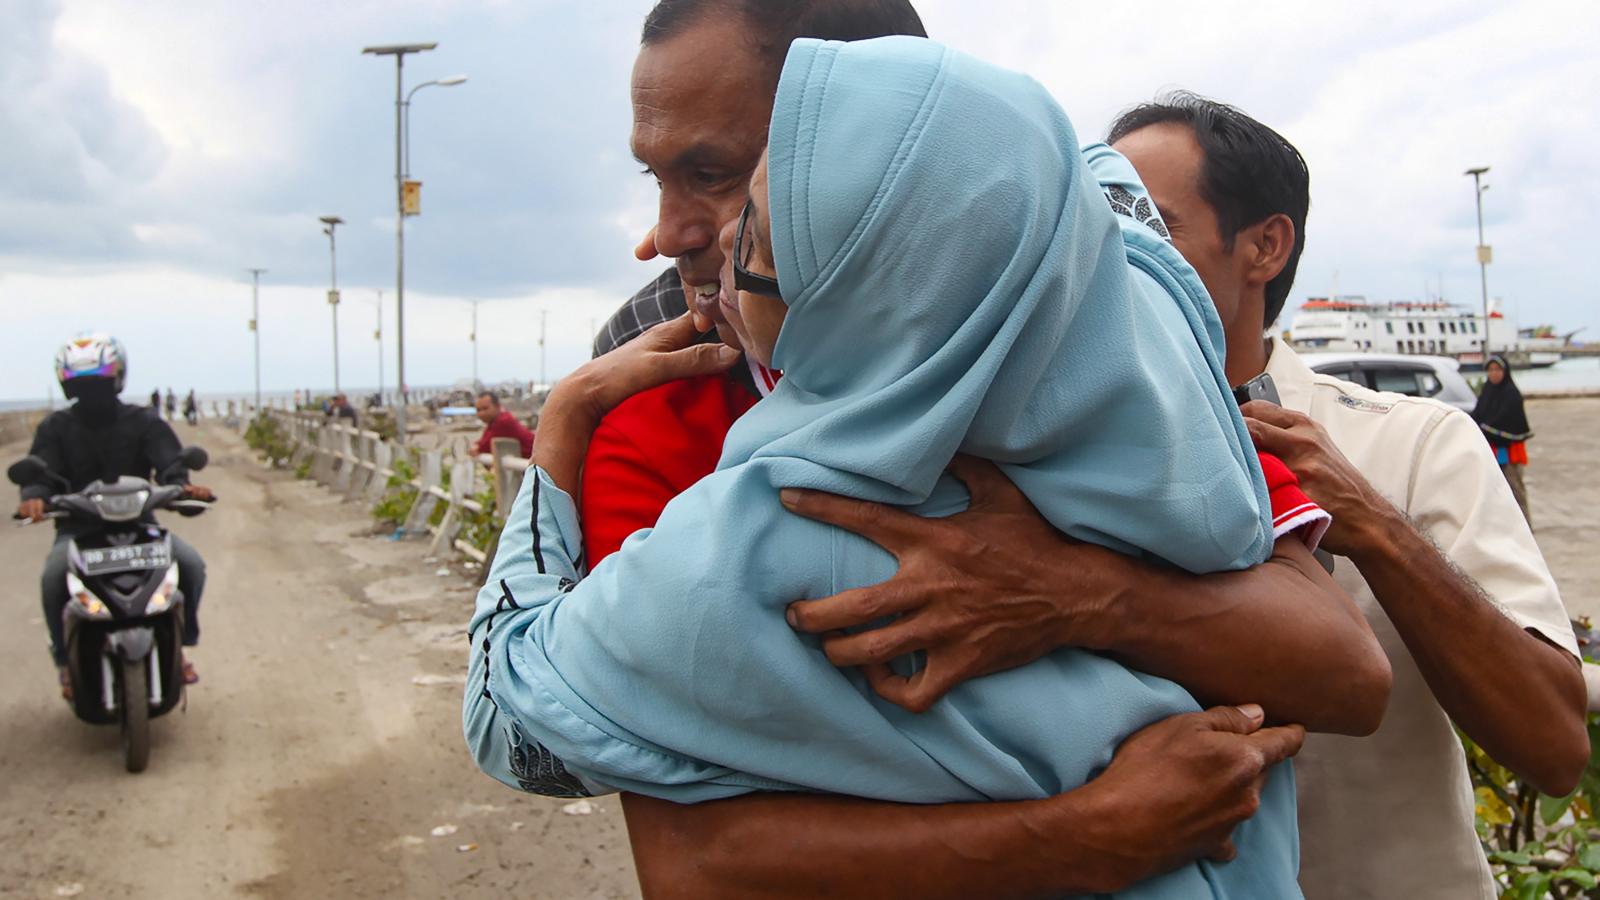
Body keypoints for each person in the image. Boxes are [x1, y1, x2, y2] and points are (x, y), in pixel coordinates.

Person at [467, 36, 1399, 899]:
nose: (666, 235)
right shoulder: (1147, 403)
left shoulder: (751, 531)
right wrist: (1083, 831)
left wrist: (1074, 594)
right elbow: (691, 865)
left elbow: (516, 716)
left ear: (850, 229)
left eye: (734, 185)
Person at [730, 94, 1582, 899]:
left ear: (1265, 246)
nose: (1105, 252)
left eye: (1149, 225)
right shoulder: (1020, 459)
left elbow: (1551, 744)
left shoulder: (1410, 443)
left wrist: (1375, 529)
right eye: (1089, 222)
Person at [18, 334, 213, 696]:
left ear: (117, 380)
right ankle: (65, 662)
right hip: (78, 530)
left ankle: (181, 647)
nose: (92, 394)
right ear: (68, 386)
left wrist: (182, 487)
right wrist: (34, 497)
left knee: (190, 565)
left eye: (99, 385)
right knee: (53, 578)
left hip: (141, 526)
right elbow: (40, 474)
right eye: (83, 386)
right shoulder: (54, 428)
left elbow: (170, 462)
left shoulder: (143, 421)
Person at [1471, 354, 1533, 523]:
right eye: (1490, 370)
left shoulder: (1512, 394)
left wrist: (1486, 428)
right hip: (1491, 450)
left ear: (1505, 371)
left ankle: (1525, 526)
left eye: (1498, 369)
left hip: (1509, 451)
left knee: (1515, 491)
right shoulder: (1487, 390)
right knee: (1493, 491)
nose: (1494, 373)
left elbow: (1510, 422)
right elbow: (1478, 415)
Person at [473, 391, 536, 459]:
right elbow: (482, 442)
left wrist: (476, 446)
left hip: (537, 458)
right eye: (478, 410)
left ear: (497, 406)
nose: (482, 413)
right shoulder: (494, 422)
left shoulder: (503, 422)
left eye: (485, 408)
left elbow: (484, 447)